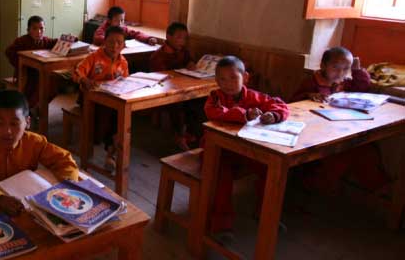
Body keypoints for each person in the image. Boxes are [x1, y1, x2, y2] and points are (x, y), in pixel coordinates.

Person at [204, 56, 289, 235]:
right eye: (222, 79)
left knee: (270, 170)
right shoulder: (215, 97)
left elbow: (279, 105)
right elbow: (215, 112)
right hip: (219, 151)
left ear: (246, 77)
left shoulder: (254, 96)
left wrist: (274, 115)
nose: (227, 84)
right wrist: (244, 114)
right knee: (221, 175)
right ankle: (222, 223)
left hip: (247, 151)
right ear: (216, 80)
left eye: (233, 78)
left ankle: (265, 214)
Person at [0, 90, 78, 215]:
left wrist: (69, 183)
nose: (7, 131)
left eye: (14, 124)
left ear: (27, 122)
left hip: (27, 204)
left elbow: (63, 159)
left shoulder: (34, 142)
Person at [291, 47, 390, 196]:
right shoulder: (312, 82)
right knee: (339, 157)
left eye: (345, 69)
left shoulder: (345, 83)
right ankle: (318, 186)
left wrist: (357, 70)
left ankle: (379, 188)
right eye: (335, 68)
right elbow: (293, 103)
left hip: (341, 128)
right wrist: (310, 95)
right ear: (323, 65)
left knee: (367, 150)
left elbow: (363, 87)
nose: (340, 73)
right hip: (318, 132)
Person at [72, 26, 129, 171]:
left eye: (119, 42)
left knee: (120, 115)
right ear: (104, 42)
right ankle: (107, 146)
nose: (114, 46)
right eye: (111, 42)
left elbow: (125, 81)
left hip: (112, 98)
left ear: (124, 45)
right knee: (108, 113)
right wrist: (84, 80)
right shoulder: (93, 57)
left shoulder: (123, 62)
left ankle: (110, 151)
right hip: (89, 99)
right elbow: (77, 71)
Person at [150, 22, 200, 150]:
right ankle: (179, 136)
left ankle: (190, 133)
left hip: (184, 87)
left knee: (197, 101)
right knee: (177, 104)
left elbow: (190, 60)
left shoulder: (184, 52)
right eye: (179, 37)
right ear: (168, 36)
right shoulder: (158, 55)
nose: (182, 41)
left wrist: (191, 63)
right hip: (164, 90)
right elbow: (160, 77)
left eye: (184, 38)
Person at [4, 15, 58, 108]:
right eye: (35, 28)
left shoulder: (45, 41)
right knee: (35, 82)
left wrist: (70, 39)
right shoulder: (21, 41)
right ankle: (28, 106)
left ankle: (39, 105)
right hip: (25, 72)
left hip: (40, 71)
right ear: (28, 30)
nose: (39, 32)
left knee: (53, 79)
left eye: (41, 28)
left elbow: (56, 42)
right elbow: (8, 51)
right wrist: (20, 64)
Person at [92, 6, 157, 46]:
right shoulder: (103, 29)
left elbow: (136, 34)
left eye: (122, 20)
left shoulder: (123, 28)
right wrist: (117, 42)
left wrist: (148, 38)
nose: (120, 23)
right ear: (109, 20)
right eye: (116, 20)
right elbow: (98, 38)